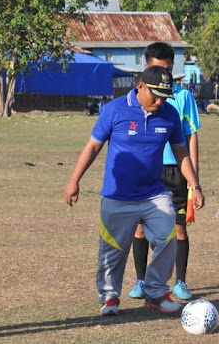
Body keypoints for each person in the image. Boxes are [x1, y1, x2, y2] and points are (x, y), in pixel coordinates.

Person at [64, 65, 204, 316]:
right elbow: (93, 147)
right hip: (117, 195)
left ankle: (156, 292)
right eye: (156, 95)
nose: (160, 102)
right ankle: (109, 298)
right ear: (140, 87)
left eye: (165, 96)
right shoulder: (115, 110)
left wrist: (195, 184)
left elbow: (181, 152)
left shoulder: (170, 114)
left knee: (167, 237)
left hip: (154, 193)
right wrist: (75, 180)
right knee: (112, 250)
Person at [127, 42, 201, 301]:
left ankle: (180, 282)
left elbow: (190, 136)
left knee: (180, 228)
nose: (162, 75)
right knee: (139, 227)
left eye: (167, 69)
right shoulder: (136, 98)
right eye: (156, 69)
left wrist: (195, 178)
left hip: (176, 172)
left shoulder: (182, 97)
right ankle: (140, 281)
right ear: (145, 67)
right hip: (146, 172)